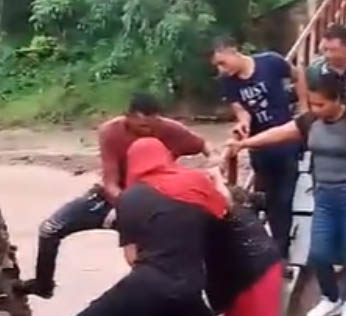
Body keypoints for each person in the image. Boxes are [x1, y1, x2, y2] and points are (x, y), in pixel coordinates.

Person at [38, 138, 248, 316]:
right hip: (187, 294)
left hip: (142, 289)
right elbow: (224, 216)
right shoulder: (198, 184)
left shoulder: (130, 197)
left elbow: (132, 258)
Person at [227, 75, 346, 316]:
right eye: (312, 104)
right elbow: (280, 133)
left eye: (321, 105)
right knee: (319, 253)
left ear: (338, 100)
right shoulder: (310, 122)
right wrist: (244, 144)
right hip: (325, 196)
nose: (316, 110)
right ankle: (330, 298)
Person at [17, 94, 210, 298]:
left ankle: (167, 314)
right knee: (49, 229)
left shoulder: (169, 129)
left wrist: (215, 161)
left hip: (155, 203)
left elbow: (202, 145)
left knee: (153, 260)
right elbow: (110, 181)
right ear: (128, 117)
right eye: (142, 127)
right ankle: (43, 285)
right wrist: (127, 206)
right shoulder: (111, 132)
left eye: (152, 127)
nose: (148, 132)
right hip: (117, 198)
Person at [213, 36, 306, 259]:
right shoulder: (229, 82)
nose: (222, 70)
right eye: (217, 66)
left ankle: (280, 250)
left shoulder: (270, 62)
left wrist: (304, 108)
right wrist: (243, 122)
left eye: (223, 63)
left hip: (286, 140)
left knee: (284, 197)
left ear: (233, 50)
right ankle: (273, 246)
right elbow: (241, 109)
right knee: (269, 197)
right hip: (259, 145)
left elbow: (298, 75)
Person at [205, 172, 284, 316]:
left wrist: (216, 178)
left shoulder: (222, 215)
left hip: (252, 279)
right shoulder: (246, 214)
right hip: (269, 268)